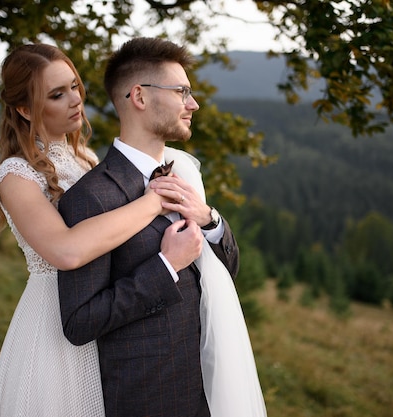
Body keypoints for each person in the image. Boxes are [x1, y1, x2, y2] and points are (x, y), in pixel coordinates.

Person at [0, 43, 202, 417]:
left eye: (74, 86)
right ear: (24, 109)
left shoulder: (86, 160)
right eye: (57, 94)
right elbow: (66, 251)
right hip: (54, 322)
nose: (74, 100)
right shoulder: (16, 175)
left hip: (107, 316)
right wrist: (153, 202)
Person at [58, 37, 266, 417]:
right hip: (148, 398)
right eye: (182, 91)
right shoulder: (91, 197)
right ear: (139, 96)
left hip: (210, 390)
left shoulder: (184, 172)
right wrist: (165, 266)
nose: (193, 104)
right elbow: (79, 321)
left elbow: (226, 271)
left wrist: (209, 220)